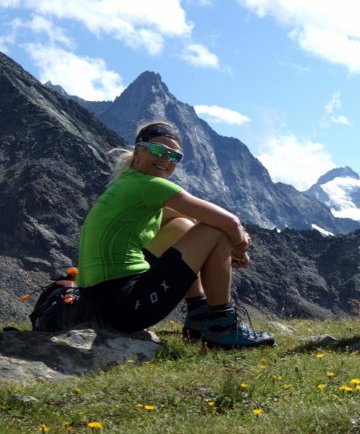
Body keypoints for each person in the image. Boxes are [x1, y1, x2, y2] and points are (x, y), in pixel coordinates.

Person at [74, 121, 273, 348]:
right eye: (159, 150)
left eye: (174, 156)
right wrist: (238, 248)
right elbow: (230, 222)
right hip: (125, 307)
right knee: (215, 230)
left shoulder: (128, 184)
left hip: (96, 306)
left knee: (182, 225)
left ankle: (198, 314)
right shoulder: (150, 185)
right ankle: (222, 326)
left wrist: (232, 243)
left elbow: (189, 221)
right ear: (139, 151)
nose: (165, 159)